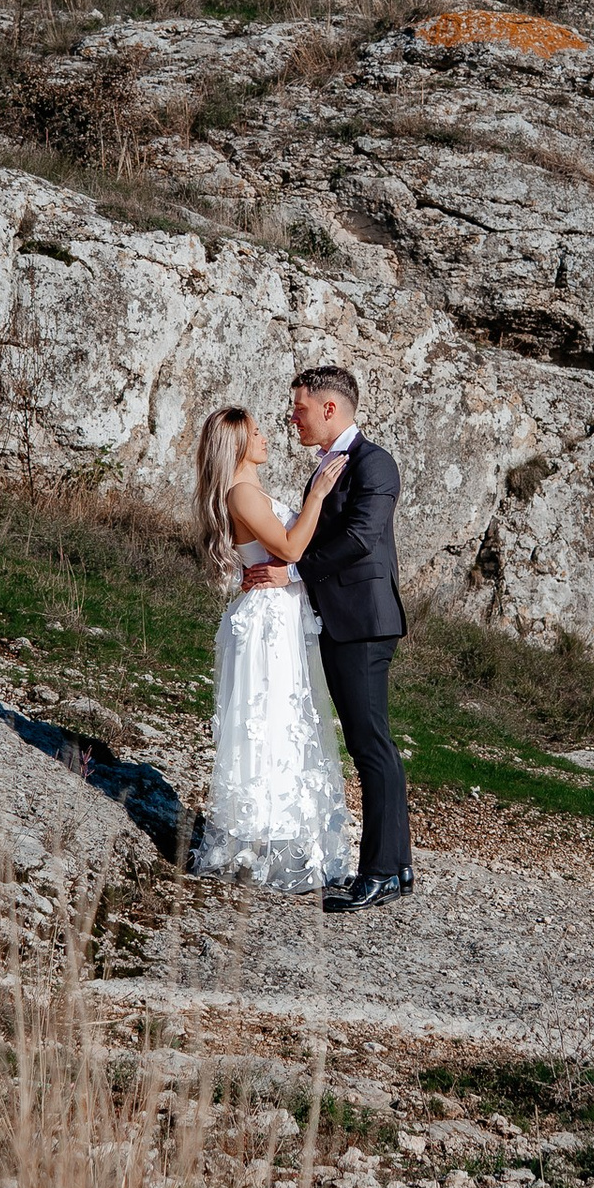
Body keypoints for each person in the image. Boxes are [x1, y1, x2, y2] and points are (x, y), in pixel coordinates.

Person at [190, 403, 358, 892]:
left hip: (278, 613)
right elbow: (288, 550)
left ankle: (279, 833)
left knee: (284, 718)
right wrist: (319, 496)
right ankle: (260, 838)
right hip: (266, 620)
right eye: (257, 433)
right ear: (239, 444)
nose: (267, 438)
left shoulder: (250, 490)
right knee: (267, 719)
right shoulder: (242, 492)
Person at [286, 363, 412, 915]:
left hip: (363, 622)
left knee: (370, 745)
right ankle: (398, 867)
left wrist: (293, 571)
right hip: (340, 619)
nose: (294, 417)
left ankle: (382, 872)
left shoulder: (374, 462)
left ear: (329, 408)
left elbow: (362, 537)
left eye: (300, 407)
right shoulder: (327, 465)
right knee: (372, 743)